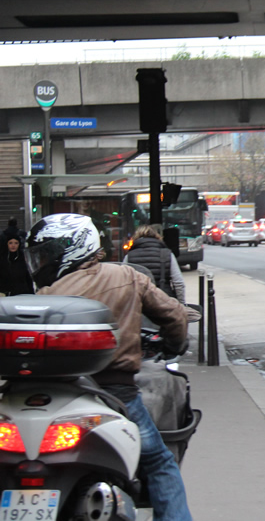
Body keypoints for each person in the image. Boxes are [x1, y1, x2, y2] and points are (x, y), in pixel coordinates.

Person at [25, 213, 193, 521]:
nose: (43, 263)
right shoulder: (128, 276)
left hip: (56, 394)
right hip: (116, 395)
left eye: (47, 254)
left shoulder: (46, 295)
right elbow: (175, 316)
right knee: (159, 463)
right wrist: (173, 345)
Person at [124, 224, 186, 303]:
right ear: (157, 237)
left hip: (139, 303)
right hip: (164, 301)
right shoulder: (167, 254)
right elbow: (178, 283)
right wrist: (181, 304)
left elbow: (123, 283)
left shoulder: (129, 256)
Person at [0, 231, 34, 296]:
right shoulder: (2, 258)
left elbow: (28, 277)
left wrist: (31, 293)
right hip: (5, 294)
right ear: (6, 244)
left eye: (16, 243)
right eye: (10, 243)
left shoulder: (23, 258)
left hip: (22, 293)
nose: (13, 245)